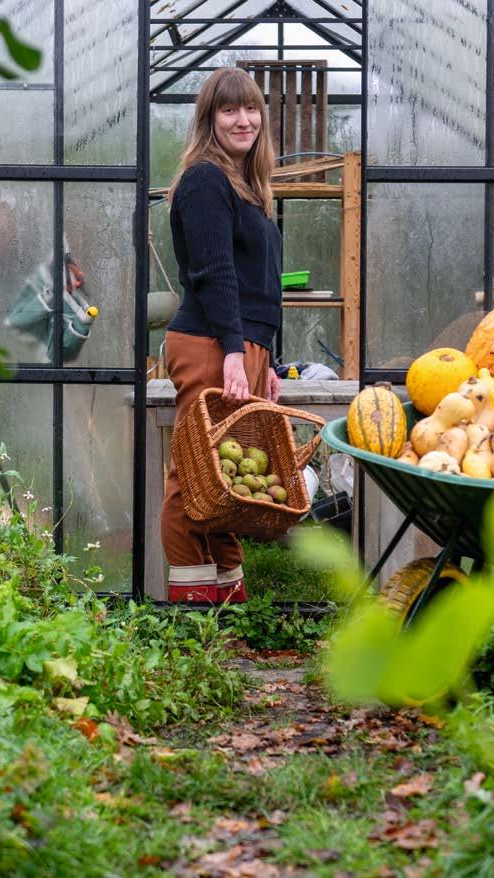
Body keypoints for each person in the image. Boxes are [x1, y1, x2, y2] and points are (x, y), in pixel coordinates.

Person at [162, 67, 283, 604]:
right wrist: (235, 352)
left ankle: (229, 611)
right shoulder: (205, 180)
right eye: (229, 109)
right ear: (209, 119)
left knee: (225, 480)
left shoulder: (248, 187)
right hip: (210, 344)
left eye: (251, 108)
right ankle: (192, 620)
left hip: (237, 346)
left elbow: (259, 286)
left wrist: (266, 359)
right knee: (194, 477)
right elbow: (215, 274)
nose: (243, 119)